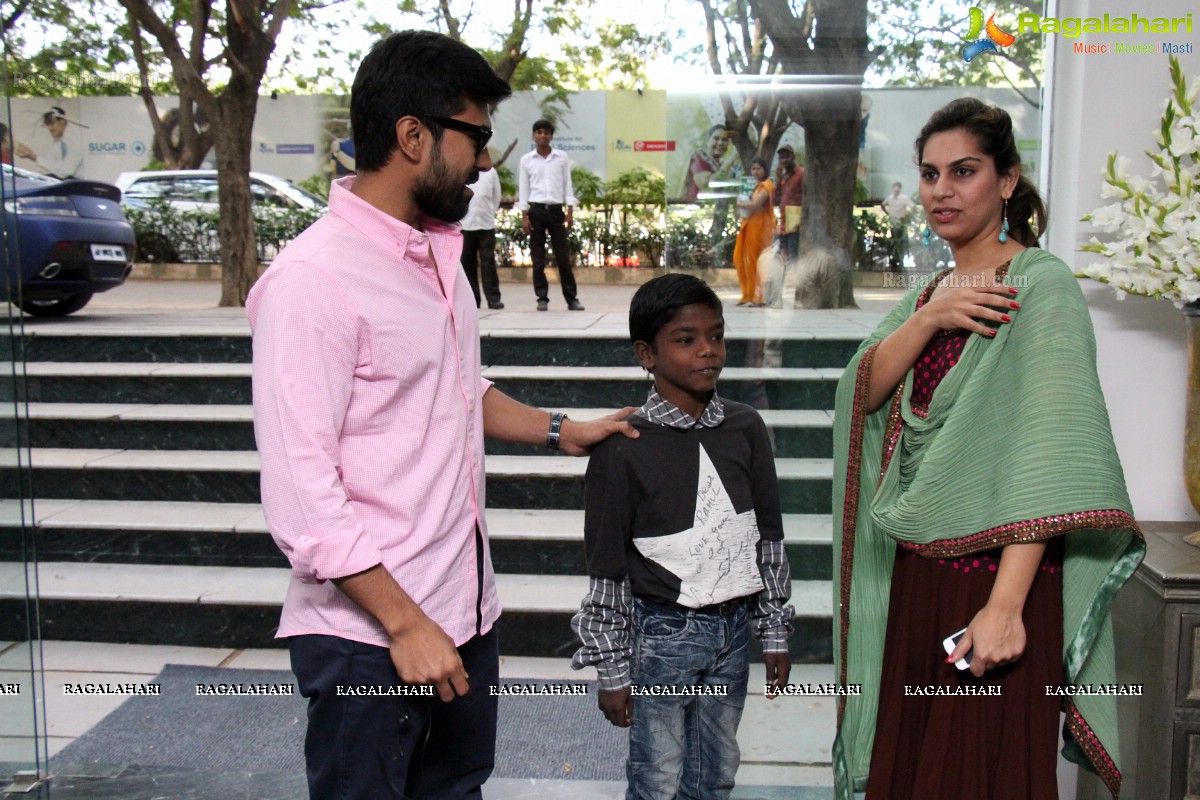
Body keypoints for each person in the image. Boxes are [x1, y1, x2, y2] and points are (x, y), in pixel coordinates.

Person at [248, 31, 635, 800]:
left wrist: (562, 431)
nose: (487, 162)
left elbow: (460, 388)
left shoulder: (435, 256)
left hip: (464, 610)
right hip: (373, 637)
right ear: (412, 134)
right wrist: (405, 625)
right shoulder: (312, 281)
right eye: (477, 137)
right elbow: (302, 495)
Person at [831, 97, 1145, 800]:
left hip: (999, 580)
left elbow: (1048, 453)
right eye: (930, 173)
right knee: (916, 768)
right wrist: (933, 315)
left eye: (964, 171)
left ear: (1005, 181)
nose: (942, 189)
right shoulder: (932, 293)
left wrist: (1005, 608)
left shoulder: (1041, 284)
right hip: (919, 577)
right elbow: (863, 392)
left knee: (978, 772)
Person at [571, 273, 794, 799]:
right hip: (661, 637)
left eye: (716, 336)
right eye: (686, 339)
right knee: (658, 775)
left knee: (716, 772)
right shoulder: (622, 446)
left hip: (734, 634)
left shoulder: (746, 427)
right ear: (646, 354)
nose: (708, 352)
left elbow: (768, 540)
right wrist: (612, 668)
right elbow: (607, 568)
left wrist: (775, 629)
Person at [517, 119, 584, 311]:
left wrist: (569, 212)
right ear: (533, 135)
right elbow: (523, 188)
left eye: (546, 132)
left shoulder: (561, 157)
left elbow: (567, 185)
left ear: (551, 136)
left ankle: (572, 299)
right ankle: (542, 298)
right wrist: (524, 216)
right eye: (539, 132)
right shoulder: (526, 160)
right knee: (538, 260)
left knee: (563, 258)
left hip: (556, 211)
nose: (542, 136)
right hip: (536, 210)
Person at [732, 156, 775, 306]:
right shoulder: (757, 187)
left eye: (758, 168)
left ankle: (759, 297)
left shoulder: (766, 186)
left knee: (758, 263)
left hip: (761, 231)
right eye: (753, 169)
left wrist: (741, 203)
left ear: (765, 170)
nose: (755, 171)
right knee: (744, 261)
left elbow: (756, 205)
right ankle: (748, 294)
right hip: (750, 229)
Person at [461, 161, 504, 309]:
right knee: (467, 264)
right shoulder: (462, 169)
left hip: (486, 224)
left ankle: (493, 298)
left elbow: (496, 196)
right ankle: (473, 299)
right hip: (466, 225)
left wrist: (489, 213)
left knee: (488, 262)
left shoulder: (490, 172)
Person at [767, 144, 804, 307]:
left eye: (787, 156)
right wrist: (777, 180)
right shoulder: (783, 178)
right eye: (781, 157)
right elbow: (774, 201)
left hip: (795, 226)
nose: (784, 160)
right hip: (782, 226)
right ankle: (777, 298)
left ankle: (798, 298)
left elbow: (806, 198)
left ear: (793, 157)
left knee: (795, 262)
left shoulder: (801, 174)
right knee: (778, 261)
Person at [16, 106, 84, 179]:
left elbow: (65, 171)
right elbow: (49, 164)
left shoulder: (76, 140)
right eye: (47, 124)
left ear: (62, 121)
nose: (50, 128)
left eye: (52, 123)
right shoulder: (58, 142)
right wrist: (30, 155)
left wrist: (33, 157)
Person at [681, 125, 736, 202]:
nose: (720, 143)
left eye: (724, 140)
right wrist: (731, 159)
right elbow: (707, 185)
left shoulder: (720, 163)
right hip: (697, 209)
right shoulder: (698, 158)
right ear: (708, 140)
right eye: (716, 138)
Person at [881, 182, 915, 270]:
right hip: (892, 224)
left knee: (900, 242)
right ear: (892, 189)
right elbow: (883, 205)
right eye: (894, 189)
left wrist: (908, 217)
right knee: (892, 242)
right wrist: (888, 214)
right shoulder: (889, 198)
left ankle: (901, 259)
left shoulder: (904, 198)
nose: (896, 191)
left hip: (901, 224)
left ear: (900, 189)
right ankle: (893, 260)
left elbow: (913, 207)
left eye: (897, 189)